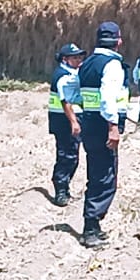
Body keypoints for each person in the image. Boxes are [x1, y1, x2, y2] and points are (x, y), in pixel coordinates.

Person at [76, 22, 125, 248]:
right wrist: (113, 127)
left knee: (96, 173)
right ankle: (91, 229)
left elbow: (75, 92)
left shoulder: (86, 64)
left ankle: (93, 224)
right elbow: (107, 99)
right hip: (103, 126)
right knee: (105, 177)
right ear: (117, 40)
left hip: (89, 123)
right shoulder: (112, 64)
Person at [48, 43, 85, 207]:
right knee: (66, 156)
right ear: (65, 59)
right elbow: (65, 102)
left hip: (67, 119)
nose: (79, 60)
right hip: (64, 121)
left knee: (72, 155)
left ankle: (65, 187)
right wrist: (74, 122)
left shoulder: (71, 73)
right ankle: (60, 191)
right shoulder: (64, 76)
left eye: (79, 56)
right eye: (75, 57)